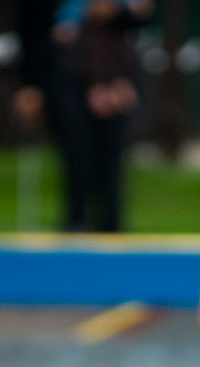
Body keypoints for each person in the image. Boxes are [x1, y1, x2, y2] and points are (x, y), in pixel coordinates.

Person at [14, 0, 153, 232]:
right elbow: (29, 29)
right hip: (66, 77)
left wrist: (116, 12)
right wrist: (29, 84)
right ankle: (75, 224)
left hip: (115, 77)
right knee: (76, 157)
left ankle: (112, 228)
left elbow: (141, 17)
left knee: (112, 163)